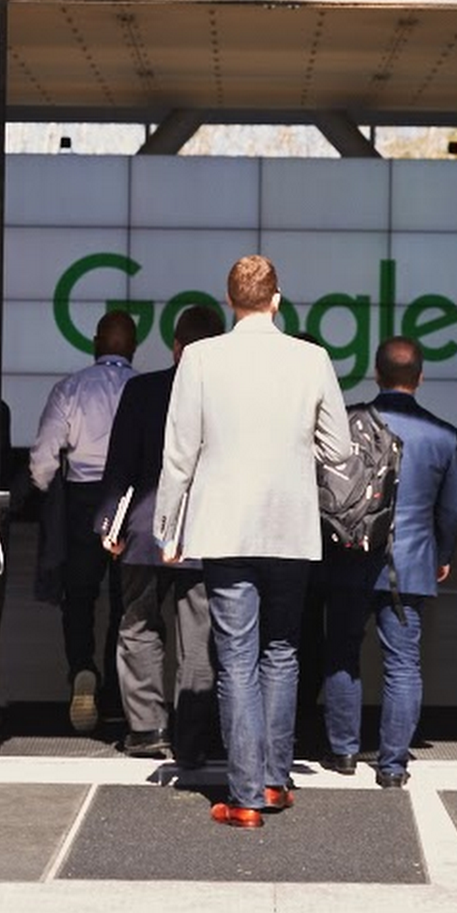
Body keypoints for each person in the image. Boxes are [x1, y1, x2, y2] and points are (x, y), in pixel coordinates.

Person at [154, 255, 352, 829]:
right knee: (282, 652)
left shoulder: (200, 358)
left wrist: (168, 527)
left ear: (230, 300)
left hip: (225, 526)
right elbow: (339, 449)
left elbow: (179, 452)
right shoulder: (312, 359)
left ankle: (243, 798)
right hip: (290, 524)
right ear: (277, 299)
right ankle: (273, 780)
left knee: (236, 658)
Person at [320, 337, 457, 788]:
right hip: (411, 564)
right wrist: (442, 555)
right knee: (402, 664)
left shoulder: (348, 424)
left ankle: (344, 751)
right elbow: (453, 510)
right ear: (420, 377)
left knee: (342, 652)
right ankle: (392, 765)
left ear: (376, 374)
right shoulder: (443, 436)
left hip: (350, 554)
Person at [96, 303, 227, 765]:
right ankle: (192, 736)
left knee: (138, 626)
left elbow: (120, 466)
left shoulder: (142, 390)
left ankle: (147, 728)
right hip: (207, 533)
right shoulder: (227, 397)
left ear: (175, 346)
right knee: (200, 637)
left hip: (145, 531)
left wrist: (110, 523)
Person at [30, 309, 139, 733]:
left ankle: (81, 668)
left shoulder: (71, 387)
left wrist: (44, 490)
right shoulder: (143, 388)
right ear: (133, 347)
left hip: (82, 499)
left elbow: (43, 458)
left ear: (96, 343)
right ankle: (114, 692)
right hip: (129, 498)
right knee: (125, 600)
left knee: (78, 595)